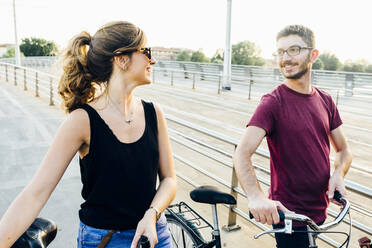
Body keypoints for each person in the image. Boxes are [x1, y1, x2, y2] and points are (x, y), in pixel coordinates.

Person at [0, 21, 177, 248]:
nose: (152, 60)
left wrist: (151, 215)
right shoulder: (82, 120)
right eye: (146, 51)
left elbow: (170, 180)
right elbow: (36, 192)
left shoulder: (154, 113)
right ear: (121, 59)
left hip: (155, 234)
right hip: (106, 240)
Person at [233, 24, 352, 248]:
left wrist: (338, 174)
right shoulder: (273, 102)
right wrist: (257, 197)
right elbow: (242, 153)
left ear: (313, 55)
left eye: (294, 50)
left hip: (319, 211)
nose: (285, 58)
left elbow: (344, 150)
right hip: (288, 217)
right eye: (280, 52)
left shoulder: (325, 100)